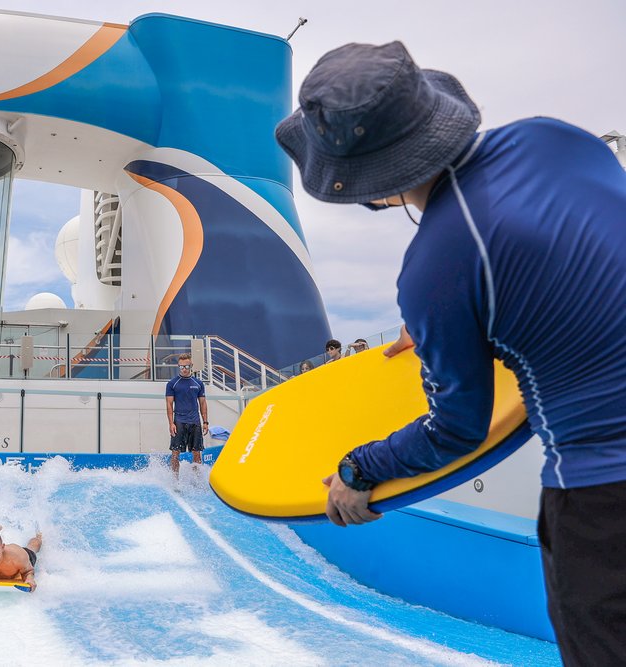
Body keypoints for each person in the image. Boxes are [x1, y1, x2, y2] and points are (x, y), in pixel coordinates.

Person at [275, 41, 626, 665]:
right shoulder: (555, 137)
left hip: (605, 494)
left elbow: (458, 430)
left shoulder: (436, 263)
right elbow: (578, 272)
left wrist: (361, 471)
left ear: (366, 186)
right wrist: (463, 323)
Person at [165, 352, 208, 476]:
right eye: (181, 367)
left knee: (196, 453)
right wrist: (171, 423)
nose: (184, 369)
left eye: (186, 367)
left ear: (191, 366)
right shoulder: (172, 383)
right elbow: (169, 404)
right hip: (179, 422)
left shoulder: (198, 383)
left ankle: (197, 480)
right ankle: (175, 480)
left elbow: (203, 403)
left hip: (195, 422)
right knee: (175, 452)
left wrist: (205, 422)